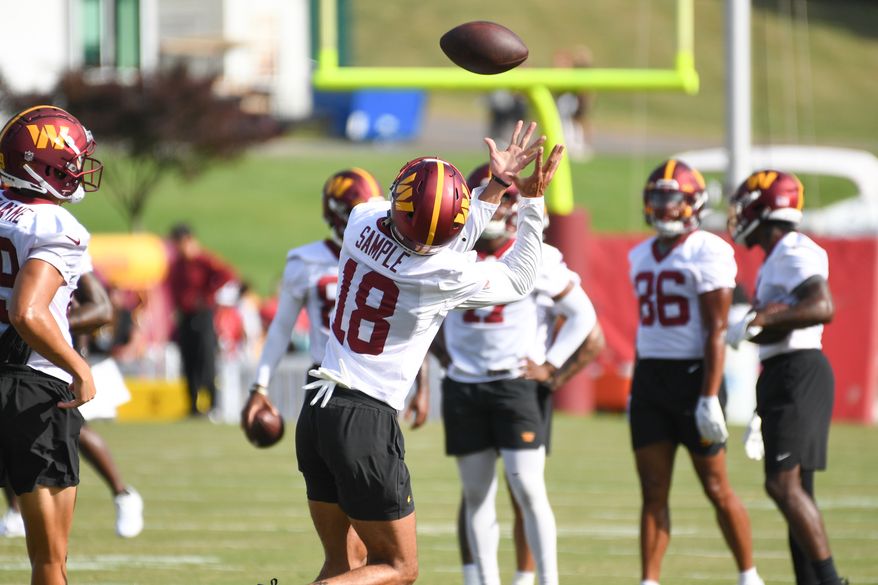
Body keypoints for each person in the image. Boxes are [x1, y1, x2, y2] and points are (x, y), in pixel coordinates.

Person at [244, 120, 564, 584]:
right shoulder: (440, 274)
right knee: (398, 568)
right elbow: (518, 278)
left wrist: (494, 185)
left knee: (343, 566)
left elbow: (435, 229)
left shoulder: (361, 220)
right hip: (364, 418)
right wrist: (531, 200)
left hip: (317, 405)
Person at [421, 162, 601, 585]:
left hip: (514, 384)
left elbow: (583, 316)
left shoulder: (536, 256)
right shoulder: (450, 254)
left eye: (503, 200)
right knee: (476, 495)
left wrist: (550, 365)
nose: (496, 211)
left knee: (529, 490)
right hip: (465, 384)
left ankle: (547, 580)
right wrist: (444, 360)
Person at [627, 160, 764, 585]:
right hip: (650, 379)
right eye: (658, 197)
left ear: (693, 203)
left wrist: (708, 396)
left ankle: (749, 575)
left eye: (672, 198)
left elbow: (716, 328)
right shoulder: (639, 255)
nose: (664, 206)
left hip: (694, 378)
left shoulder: (709, 248)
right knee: (652, 490)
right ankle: (649, 580)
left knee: (717, 487)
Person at [243, 167, 383, 570]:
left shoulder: (388, 254)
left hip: (368, 390)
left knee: (357, 556)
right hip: (332, 387)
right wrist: (259, 386)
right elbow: (281, 328)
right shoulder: (307, 261)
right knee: (361, 555)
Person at [727, 170, 847, 585]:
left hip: (799, 370)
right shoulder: (776, 257)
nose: (740, 216)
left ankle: (831, 581)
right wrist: (759, 326)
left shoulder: (794, 249)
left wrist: (759, 318)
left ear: (765, 209)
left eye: (747, 206)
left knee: (783, 486)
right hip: (784, 370)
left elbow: (821, 305)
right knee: (798, 491)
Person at [0, 105, 102, 585]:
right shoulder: (54, 225)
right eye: (70, 161)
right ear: (41, 165)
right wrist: (78, 365)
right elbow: (28, 311)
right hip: (34, 389)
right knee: (49, 562)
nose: (78, 170)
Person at [0, 266, 144, 539]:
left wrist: (72, 350)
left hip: (51, 360)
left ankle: (122, 493)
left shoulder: (59, 241)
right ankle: (16, 511)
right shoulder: (17, 239)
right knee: (8, 431)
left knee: (77, 430)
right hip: (15, 358)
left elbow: (87, 305)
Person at [166, 222, 238, 416]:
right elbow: (172, 287)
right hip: (185, 316)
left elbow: (227, 274)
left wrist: (208, 295)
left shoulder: (203, 260)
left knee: (205, 358)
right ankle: (193, 406)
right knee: (188, 359)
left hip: (203, 315)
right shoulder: (177, 265)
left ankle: (212, 404)